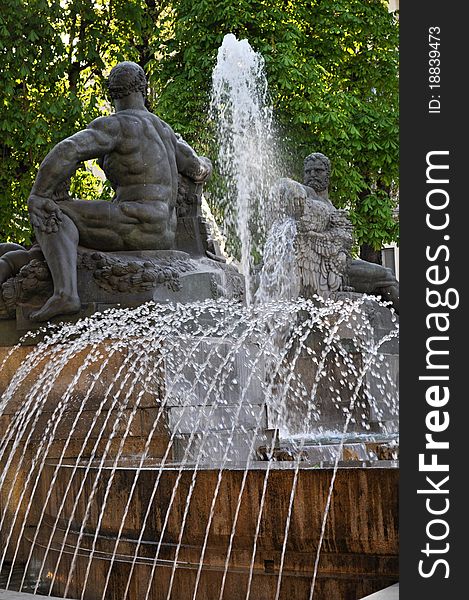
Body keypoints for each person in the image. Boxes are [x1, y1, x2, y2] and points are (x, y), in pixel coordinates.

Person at [22, 61, 211, 321]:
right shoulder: (166, 132)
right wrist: (207, 164)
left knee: (53, 211)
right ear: (144, 88)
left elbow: (67, 150)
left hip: (135, 223)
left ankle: (65, 294)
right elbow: (198, 169)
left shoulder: (117, 126)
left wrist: (39, 195)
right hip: (164, 233)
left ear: (111, 92)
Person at [287, 152, 399, 312]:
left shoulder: (327, 202)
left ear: (328, 173)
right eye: (308, 172)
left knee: (385, 279)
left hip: (338, 263)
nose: (312, 175)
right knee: (387, 277)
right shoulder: (306, 195)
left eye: (318, 171)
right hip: (326, 268)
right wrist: (291, 187)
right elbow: (285, 186)